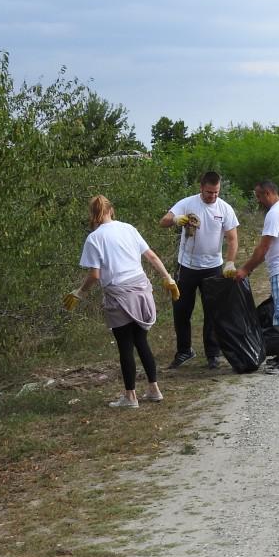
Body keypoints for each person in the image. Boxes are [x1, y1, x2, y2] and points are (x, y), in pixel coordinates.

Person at [63, 195, 180, 408]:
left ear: (93, 214)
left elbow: (95, 275)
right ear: (111, 210)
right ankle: (154, 389)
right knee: (141, 341)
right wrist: (167, 278)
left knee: (125, 346)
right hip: (141, 289)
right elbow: (152, 257)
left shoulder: (94, 238)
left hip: (118, 295)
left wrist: (80, 292)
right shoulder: (128, 228)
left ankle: (130, 397)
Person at [159, 171, 239, 370]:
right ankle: (184, 351)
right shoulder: (187, 203)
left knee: (213, 312)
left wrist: (230, 262)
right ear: (201, 188)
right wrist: (177, 220)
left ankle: (213, 353)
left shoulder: (225, 209)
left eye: (216, 192)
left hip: (213, 267)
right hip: (186, 266)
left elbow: (232, 238)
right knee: (181, 310)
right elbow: (163, 221)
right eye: (209, 192)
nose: (212, 196)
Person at [234, 180, 279, 374]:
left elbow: (263, 247)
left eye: (259, 196)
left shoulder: (275, 213)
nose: (258, 200)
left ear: (268, 193)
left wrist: (246, 269)